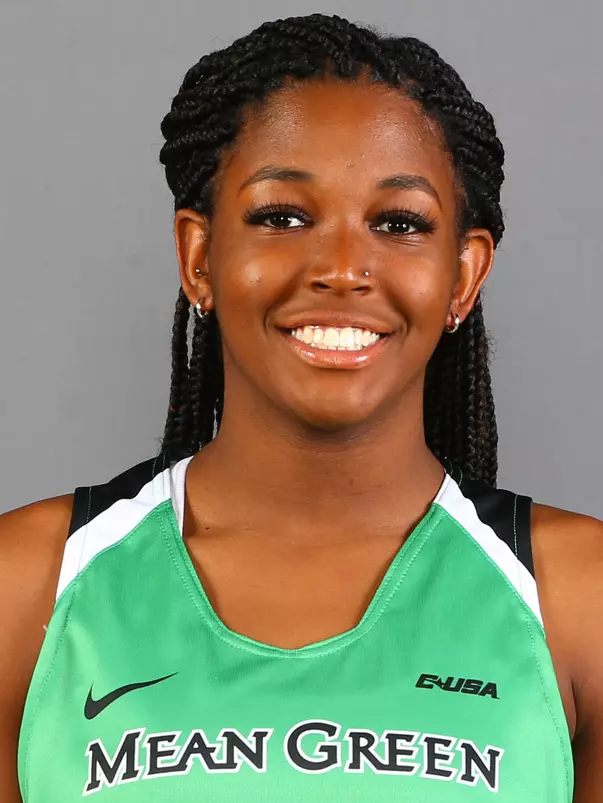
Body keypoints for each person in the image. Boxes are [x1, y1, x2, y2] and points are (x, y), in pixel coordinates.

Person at [1, 12, 600, 802]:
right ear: (199, 255)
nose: (344, 268)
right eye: (283, 217)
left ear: (462, 275)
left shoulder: (576, 594)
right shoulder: (31, 582)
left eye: (398, 223)